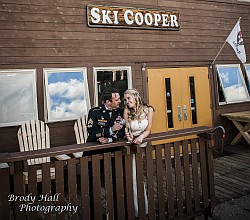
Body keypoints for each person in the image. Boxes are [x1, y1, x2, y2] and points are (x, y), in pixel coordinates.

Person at [123, 88, 154, 217]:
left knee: (141, 175)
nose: (127, 101)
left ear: (136, 97)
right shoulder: (126, 110)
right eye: (125, 99)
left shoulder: (149, 109)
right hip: (130, 146)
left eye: (128, 98)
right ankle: (134, 209)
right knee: (132, 176)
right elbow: (127, 129)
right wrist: (129, 137)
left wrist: (141, 138)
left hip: (143, 143)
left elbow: (149, 128)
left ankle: (145, 208)